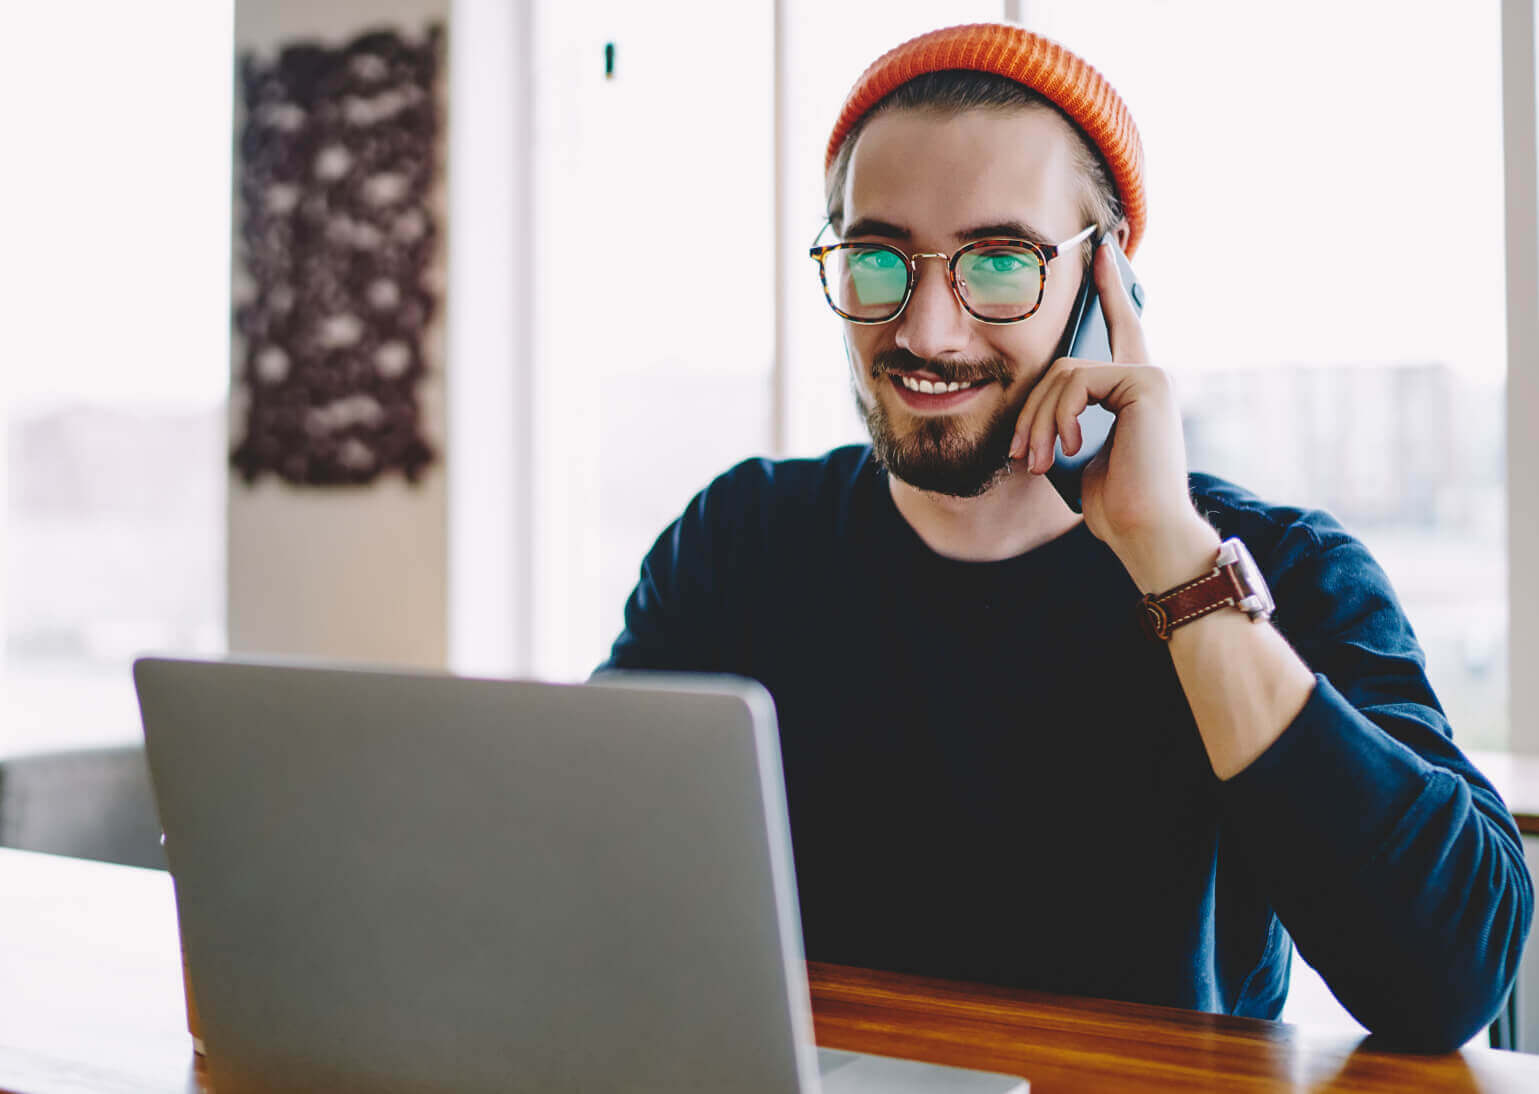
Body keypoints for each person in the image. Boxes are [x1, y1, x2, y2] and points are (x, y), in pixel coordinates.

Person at [597, 22, 1532, 1051]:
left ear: (1108, 287)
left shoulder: (1283, 566)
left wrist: (1172, 560)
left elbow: (1452, 975)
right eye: (879, 257)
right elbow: (572, 853)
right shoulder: (741, 543)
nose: (927, 330)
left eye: (999, 263)